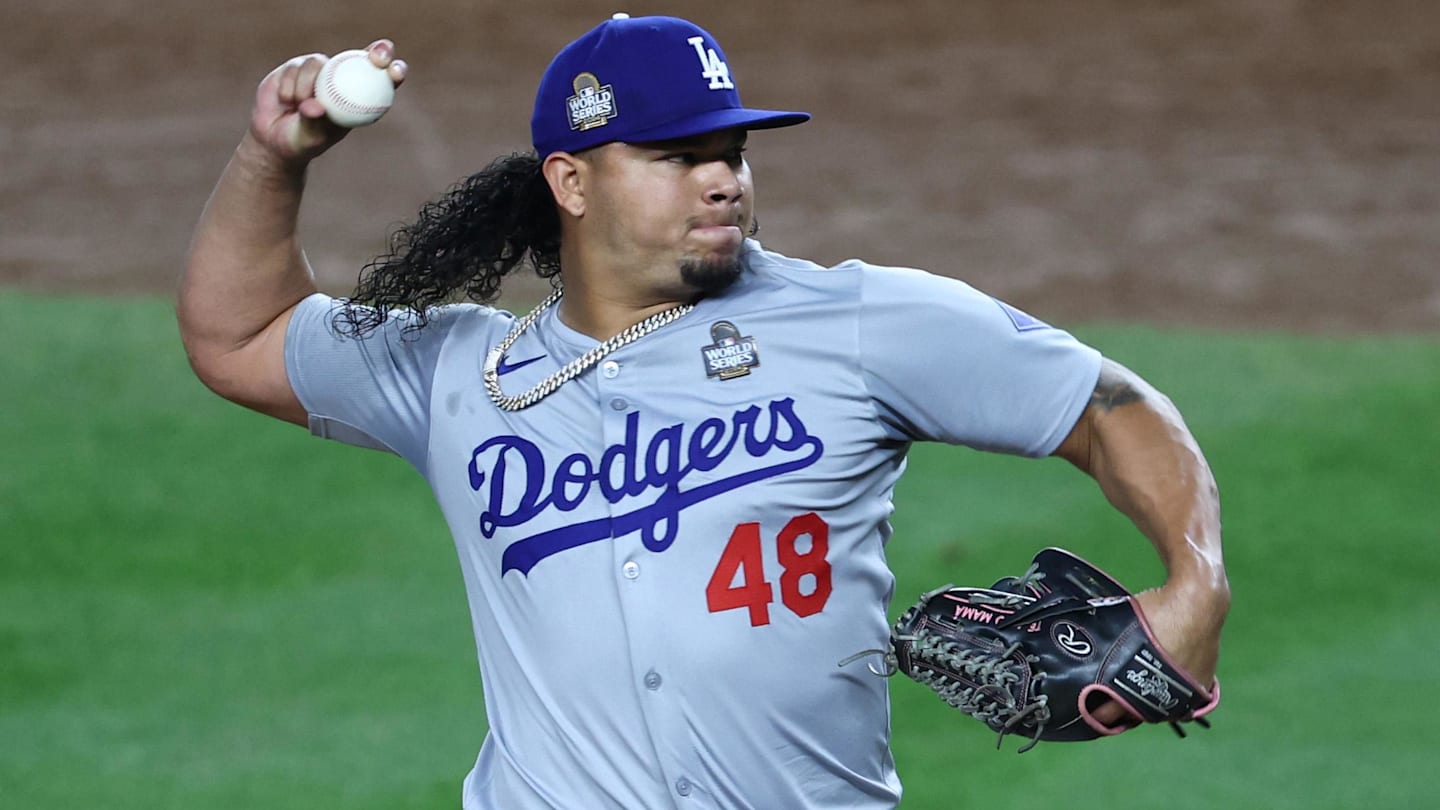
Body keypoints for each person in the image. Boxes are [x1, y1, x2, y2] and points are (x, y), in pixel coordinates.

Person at [178, 13, 1229, 809]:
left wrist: (1197, 581)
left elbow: (1113, 409)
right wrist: (272, 161)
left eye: (730, 151)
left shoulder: (860, 321)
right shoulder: (458, 371)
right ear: (572, 181)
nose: (721, 179)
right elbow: (237, 336)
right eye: (676, 158)